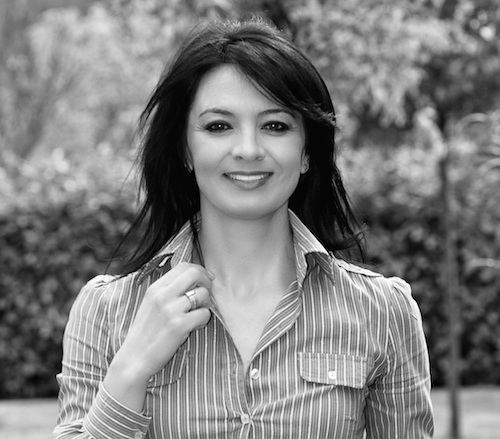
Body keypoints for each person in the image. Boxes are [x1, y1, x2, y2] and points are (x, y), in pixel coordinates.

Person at [53, 17, 434, 439]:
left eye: (275, 126)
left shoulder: (383, 312)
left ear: (306, 152)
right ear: (185, 150)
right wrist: (131, 367)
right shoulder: (106, 310)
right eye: (219, 126)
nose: (248, 150)